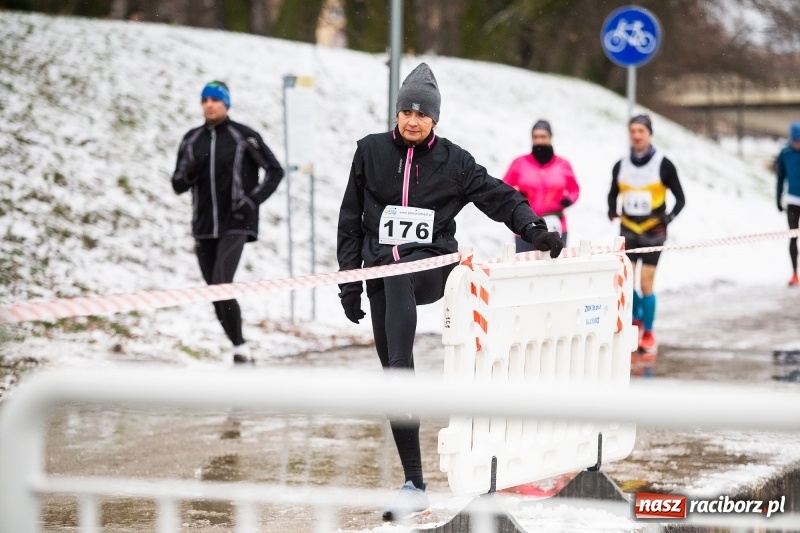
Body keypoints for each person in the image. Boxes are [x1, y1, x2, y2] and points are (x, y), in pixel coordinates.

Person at [336, 63, 564, 521]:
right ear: (397, 113)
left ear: (435, 119)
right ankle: (414, 483)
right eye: (406, 111)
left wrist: (534, 228)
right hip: (382, 273)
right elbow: (350, 218)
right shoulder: (370, 152)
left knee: (400, 295)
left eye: (422, 113)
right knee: (392, 373)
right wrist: (350, 281)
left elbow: (499, 196)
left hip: (429, 270)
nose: (413, 120)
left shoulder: (454, 162)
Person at [172, 81, 284, 364]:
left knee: (222, 284)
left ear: (227, 103)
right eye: (205, 100)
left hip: (236, 222)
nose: (209, 104)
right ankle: (239, 346)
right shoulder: (191, 139)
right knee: (215, 291)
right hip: (203, 225)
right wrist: (190, 174)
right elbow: (177, 184)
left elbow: (274, 170)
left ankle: (238, 349)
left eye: (215, 99)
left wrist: (252, 201)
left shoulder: (244, 135)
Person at [607, 114, 685, 353]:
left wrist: (668, 217)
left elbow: (681, 199)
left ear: (649, 134)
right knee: (628, 281)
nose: (637, 135)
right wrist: (612, 209)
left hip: (653, 231)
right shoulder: (621, 165)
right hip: (629, 229)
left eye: (641, 131)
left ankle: (648, 331)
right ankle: (636, 318)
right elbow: (612, 193)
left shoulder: (663, 164)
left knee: (645, 283)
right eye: (633, 131)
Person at [502, 119, 580, 249]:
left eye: (543, 137)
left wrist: (569, 200)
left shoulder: (563, 165)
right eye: (535, 137)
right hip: (526, 224)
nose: (539, 141)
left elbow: (575, 189)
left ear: (550, 137)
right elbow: (503, 186)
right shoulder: (519, 163)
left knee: (555, 267)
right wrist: (515, 195)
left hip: (556, 225)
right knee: (526, 267)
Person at [776, 122, 800, 287]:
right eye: (795, 140)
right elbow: (780, 178)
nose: (797, 144)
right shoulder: (784, 154)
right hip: (792, 201)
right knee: (793, 237)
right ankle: (794, 274)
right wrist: (777, 198)